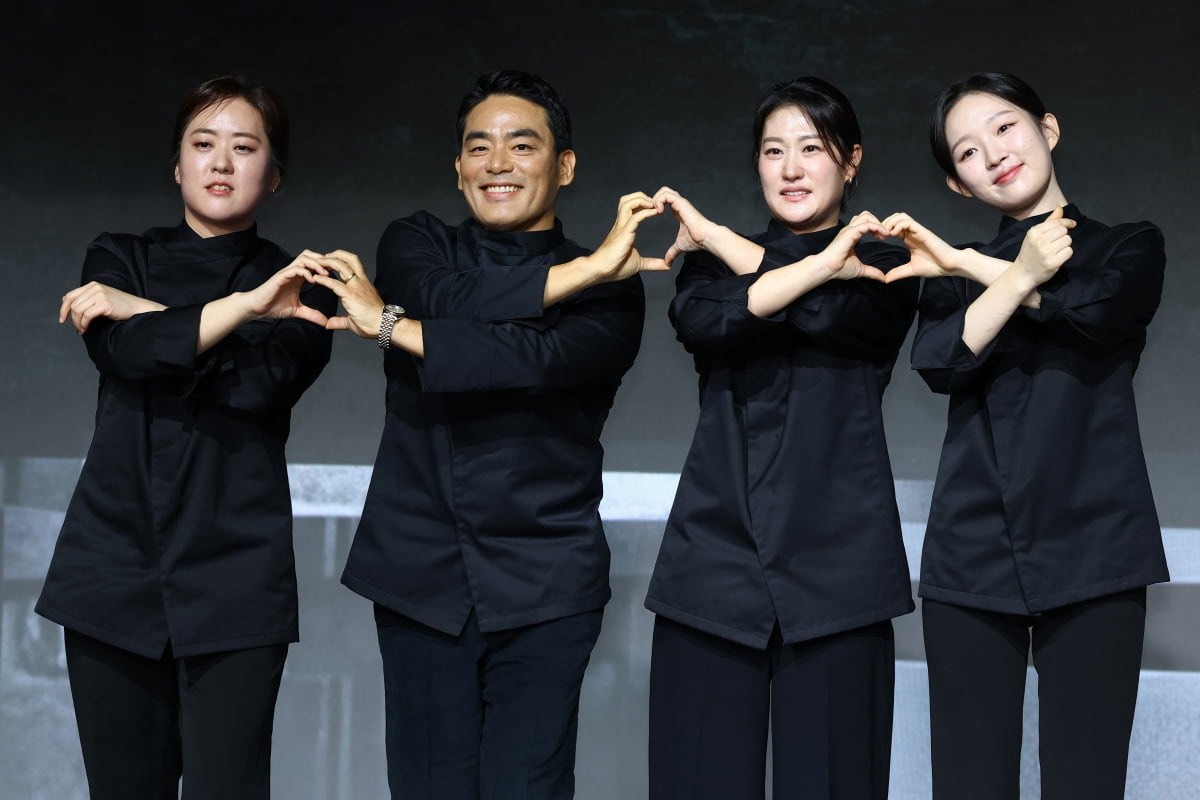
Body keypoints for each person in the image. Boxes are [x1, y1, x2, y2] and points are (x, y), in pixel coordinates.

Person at [305, 70, 664, 799]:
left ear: (565, 165)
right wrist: (585, 268)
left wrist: (392, 327)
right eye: (479, 147)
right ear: (459, 166)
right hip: (418, 571)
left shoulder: (615, 287)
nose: (498, 163)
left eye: (522, 145)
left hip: (545, 576)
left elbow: (531, 362)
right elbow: (442, 295)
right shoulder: (415, 242)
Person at [36, 75, 335, 799]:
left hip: (237, 579)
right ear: (177, 164)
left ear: (276, 174)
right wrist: (246, 314)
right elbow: (127, 355)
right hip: (111, 570)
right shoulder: (117, 255)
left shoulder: (306, 284)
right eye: (203, 144)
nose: (221, 162)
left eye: (245, 147)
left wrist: (152, 310)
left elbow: (258, 387)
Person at [882, 71, 1168, 799]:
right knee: (968, 783)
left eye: (1005, 127)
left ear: (1049, 128)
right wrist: (1005, 274)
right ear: (958, 184)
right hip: (973, 548)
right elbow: (939, 360)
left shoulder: (1129, 245)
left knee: (1086, 782)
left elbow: (1098, 313)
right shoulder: (950, 271)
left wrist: (978, 266)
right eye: (968, 152)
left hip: (1098, 543)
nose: (994, 154)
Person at [643, 76, 917, 800]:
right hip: (712, 562)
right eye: (773, 151)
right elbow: (707, 324)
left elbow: (835, 319)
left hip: (841, 571)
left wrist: (729, 239)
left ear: (851, 160)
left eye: (812, 148)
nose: (791, 169)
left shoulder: (889, 261)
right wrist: (812, 265)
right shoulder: (707, 266)